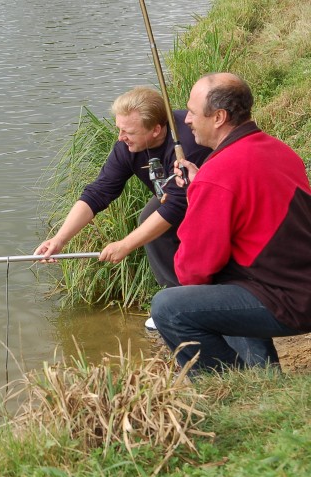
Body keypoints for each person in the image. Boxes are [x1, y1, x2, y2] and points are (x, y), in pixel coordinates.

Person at [151, 72, 311, 373]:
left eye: (193, 113)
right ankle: (263, 375)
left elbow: (192, 272)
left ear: (219, 117)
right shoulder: (279, 150)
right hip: (297, 283)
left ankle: (234, 391)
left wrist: (200, 195)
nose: (186, 120)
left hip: (290, 301)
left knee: (169, 308)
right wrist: (202, 184)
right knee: (226, 280)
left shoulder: (218, 175)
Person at [34, 87, 212, 323]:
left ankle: (202, 301)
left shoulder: (188, 145)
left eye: (128, 131)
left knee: (165, 222)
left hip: (212, 200)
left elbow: (177, 207)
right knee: (150, 217)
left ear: (156, 129)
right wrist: (60, 239)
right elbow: (99, 192)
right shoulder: (127, 147)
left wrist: (125, 245)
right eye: (119, 129)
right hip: (173, 197)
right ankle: (177, 298)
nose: (120, 137)